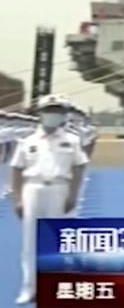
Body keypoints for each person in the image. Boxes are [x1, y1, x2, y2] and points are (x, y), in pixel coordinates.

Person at [11, 97, 89, 305]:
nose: (53, 115)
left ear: (64, 115)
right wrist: (18, 198)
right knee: (31, 241)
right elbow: (17, 169)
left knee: (58, 239)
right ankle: (30, 287)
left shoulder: (71, 140)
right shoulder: (28, 141)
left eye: (57, 111)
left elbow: (79, 167)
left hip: (59, 188)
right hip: (33, 188)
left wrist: (73, 195)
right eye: (49, 110)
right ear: (40, 113)